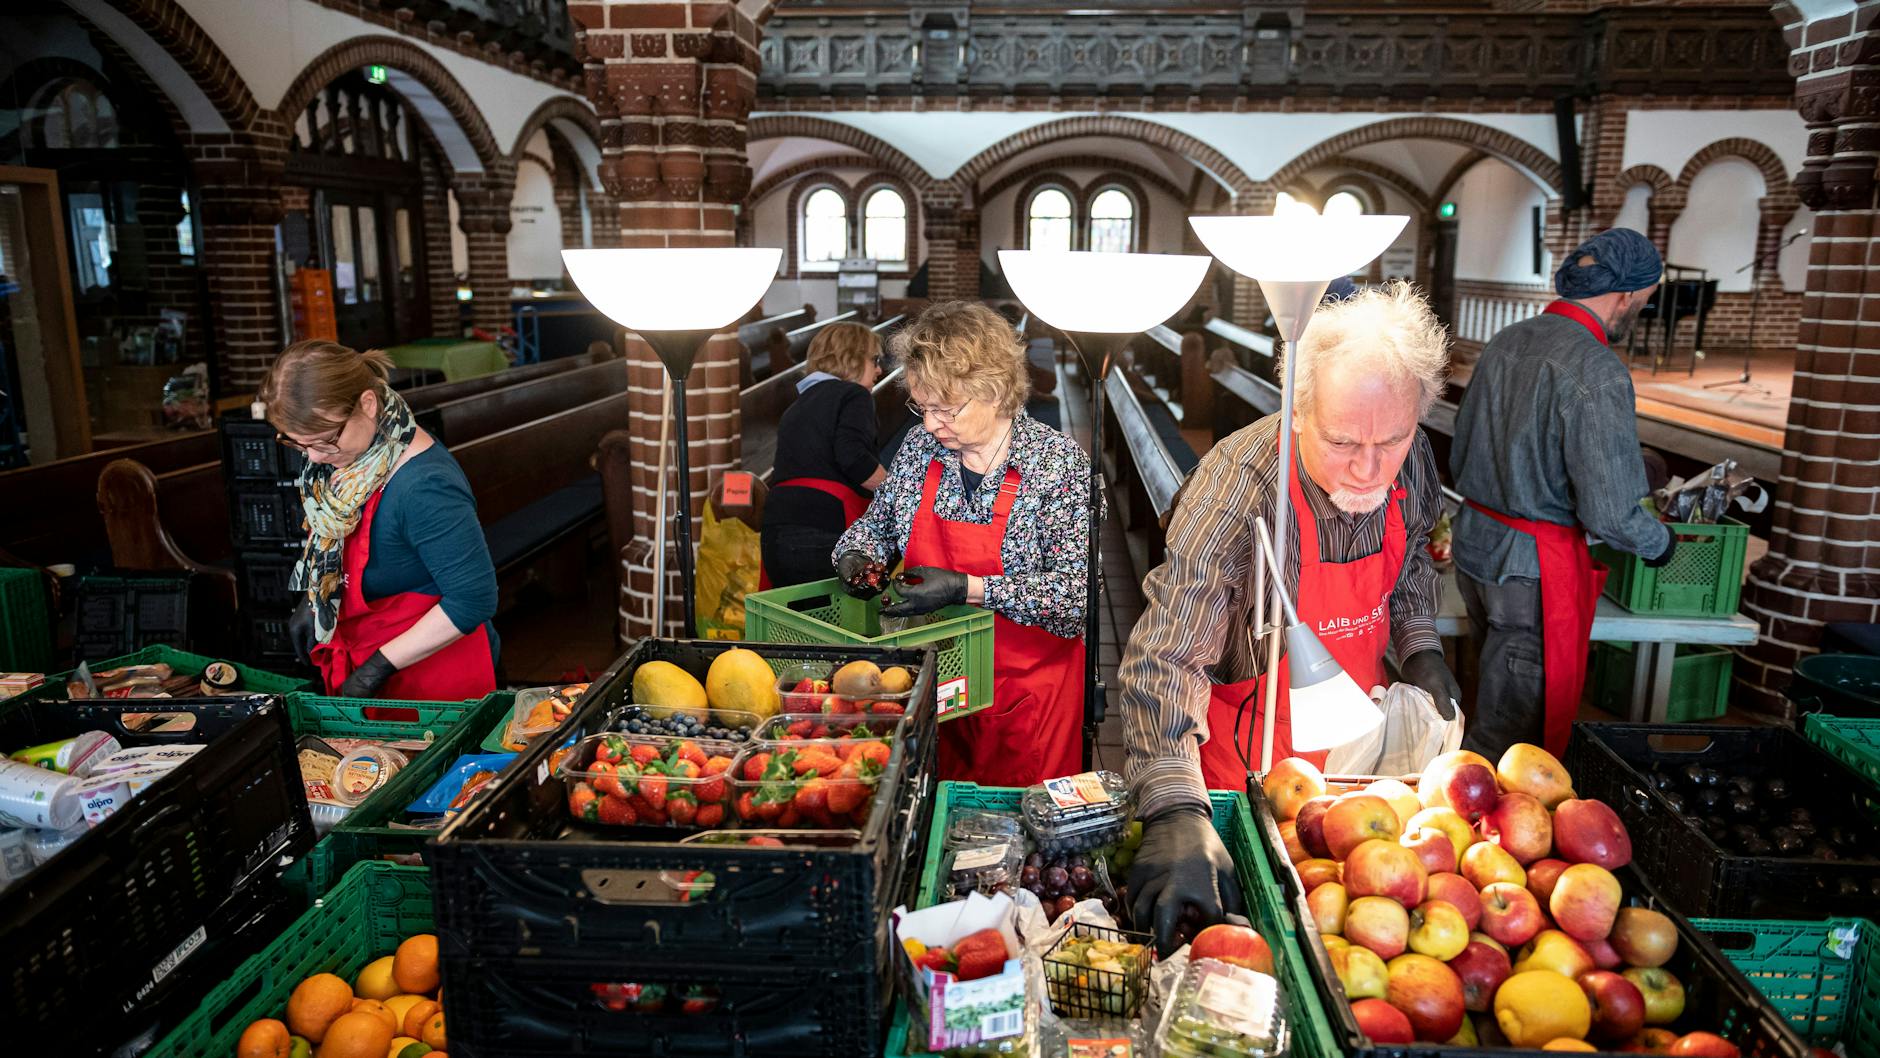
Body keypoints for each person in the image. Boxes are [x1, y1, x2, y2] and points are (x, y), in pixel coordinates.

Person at [1117, 283, 1456, 953]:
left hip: (1346, 750)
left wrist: (1422, 647)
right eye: (1341, 442)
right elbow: (1167, 656)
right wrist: (1176, 808)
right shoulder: (1238, 488)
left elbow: (1414, 556)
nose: (1367, 467)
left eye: (1390, 440)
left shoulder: (1410, 458)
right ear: (1296, 410)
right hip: (1242, 759)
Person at [834, 301, 1097, 786]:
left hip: (1025, 701)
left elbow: (1075, 599)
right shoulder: (920, 449)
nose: (931, 423)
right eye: (922, 406)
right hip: (937, 688)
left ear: (993, 391)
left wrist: (967, 587)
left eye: (944, 409)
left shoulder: (1056, 465)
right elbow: (879, 525)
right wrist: (856, 554)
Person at [1450, 228, 1675, 760]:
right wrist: (1660, 543)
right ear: (1626, 296)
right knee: (1510, 739)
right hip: (1531, 569)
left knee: (1488, 699)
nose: (1637, 310)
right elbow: (1610, 511)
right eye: (1643, 302)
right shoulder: (1596, 369)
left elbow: (1465, 451)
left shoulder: (1508, 339)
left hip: (1478, 545)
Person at [262, 340, 499, 700]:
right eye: (298, 444)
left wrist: (378, 667)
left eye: (324, 441)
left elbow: (473, 599)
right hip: (368, 647)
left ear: (368, 404)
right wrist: (314, 600)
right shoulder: (351, 455)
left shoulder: (423, 486)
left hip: (436, 674)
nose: (313, 457)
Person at [762, 322, 888, 587]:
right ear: (852, 357)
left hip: (776, 531)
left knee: (796, 621)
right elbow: (854, 458)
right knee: (834, 619)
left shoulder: (798, 405)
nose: (879, 369)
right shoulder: (853, 394)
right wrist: (899, 492)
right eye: (875, 359)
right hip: (820, 529)